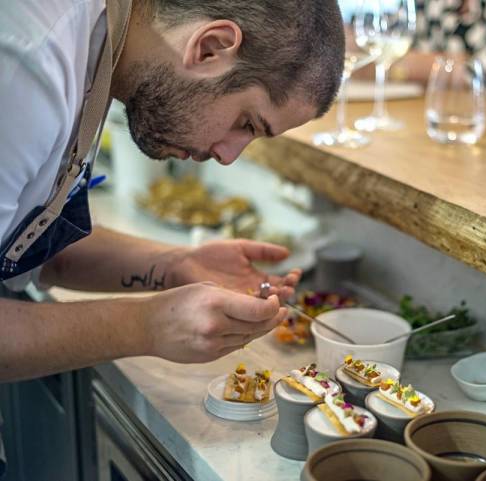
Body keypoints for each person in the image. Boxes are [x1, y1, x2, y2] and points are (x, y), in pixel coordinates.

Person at [0, 0, 344, 475]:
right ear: (210, 48)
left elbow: (24, 241)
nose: (228, 156)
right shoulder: (26, 66)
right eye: (247, 123)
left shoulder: (94, 47)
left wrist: (174, 264)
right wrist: (149, 326)